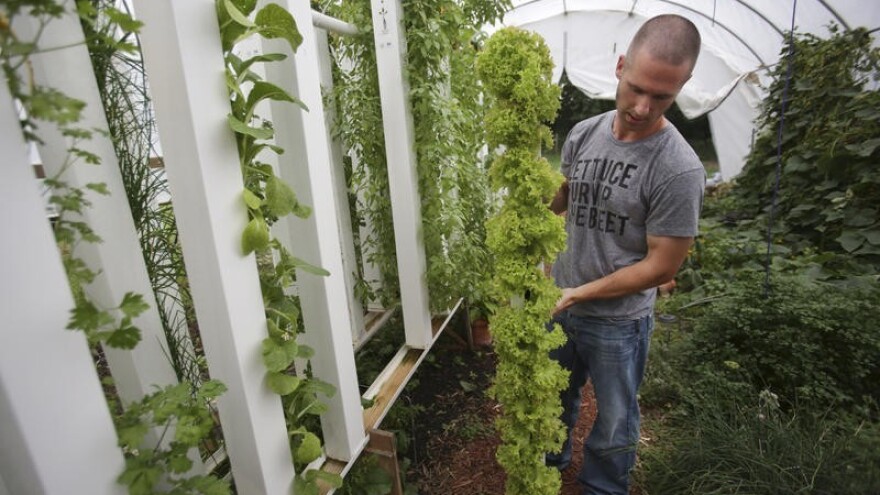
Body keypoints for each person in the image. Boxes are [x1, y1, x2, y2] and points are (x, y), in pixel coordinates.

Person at [545, 14, 705, 495]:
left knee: (615, 418)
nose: (641, 106)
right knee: (553, 397)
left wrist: (580, 292)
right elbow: (563, 199)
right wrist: (533, 200)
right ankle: (549, 464)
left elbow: (662, 267)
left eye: (662, 96)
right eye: (636, 87)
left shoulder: (678, 169)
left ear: (683, 86)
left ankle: (601, 487)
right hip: (562, 300)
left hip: (618, 320)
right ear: (620, 66)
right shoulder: (583, 133)